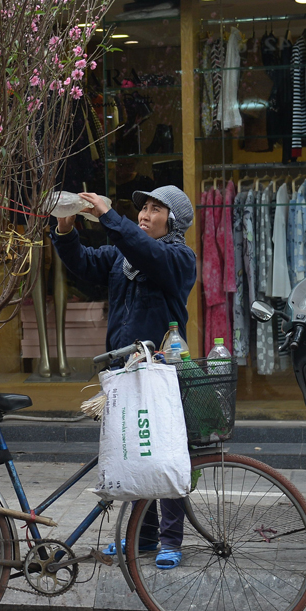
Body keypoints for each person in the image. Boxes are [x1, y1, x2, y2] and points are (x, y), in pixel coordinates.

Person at [52, 186, 197, 570]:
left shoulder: (179, 257)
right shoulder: (121, 255)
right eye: (142, 209)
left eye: (154, 209)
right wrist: (66, 228)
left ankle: (169, 539)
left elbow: (147, 253)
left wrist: (108, 216)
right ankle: (142, 535)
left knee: (164, 454)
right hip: (124, 372)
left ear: (174, 221)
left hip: (161, 371)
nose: (144, 215)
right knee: (136, 453)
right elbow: (83, 264)